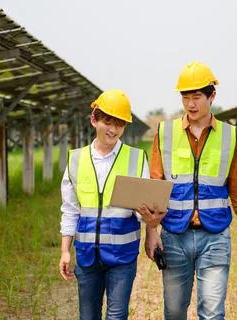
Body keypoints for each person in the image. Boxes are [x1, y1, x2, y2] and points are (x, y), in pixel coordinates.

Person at [145, 62, 237, 320]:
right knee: (173, 311)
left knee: (213, 313)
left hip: (215, 236)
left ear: (212, 96)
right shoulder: (165, 133)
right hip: (174, 235)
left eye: (196, 97)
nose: (190, 104)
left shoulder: (230, 137)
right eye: (185, 97)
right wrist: (151, 232)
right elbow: (154, 185)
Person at [59, 89, 165, 320]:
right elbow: (70, 210)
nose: (113, 129)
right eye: (108, 122)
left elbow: (143, 210)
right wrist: (65, 250)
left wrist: (151, 221)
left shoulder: (137, 159)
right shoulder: (76, 160)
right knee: (88, 317)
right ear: (94, 120)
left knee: (117, 316)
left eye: (119, 124)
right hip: (87, 257)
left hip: (122, 257)